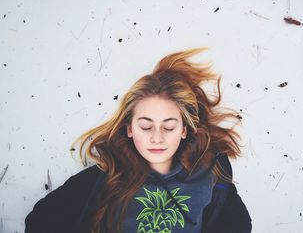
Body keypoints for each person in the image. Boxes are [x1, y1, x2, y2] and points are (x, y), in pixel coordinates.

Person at [25, 48, 252, 233]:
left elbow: (238, 225)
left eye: (169, 126)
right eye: (145, 126)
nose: (157, 137)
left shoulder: (209, 174)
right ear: (130, 129)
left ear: (184, 130)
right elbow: (39, 222)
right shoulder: (107, 176)